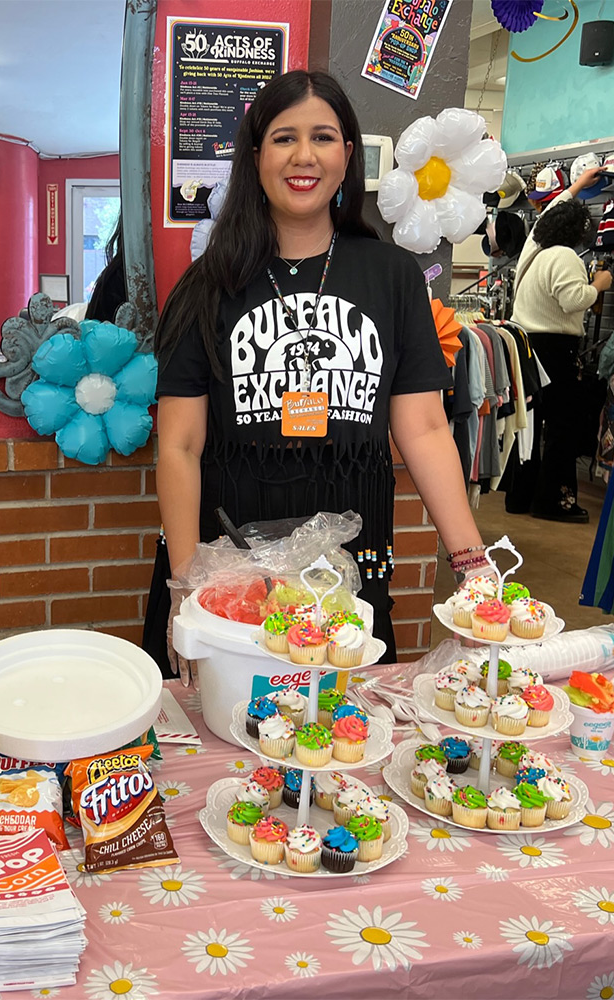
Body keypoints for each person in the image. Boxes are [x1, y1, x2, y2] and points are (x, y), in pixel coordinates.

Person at [154, 70, 489, 661]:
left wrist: (470, 561)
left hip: (351, 561)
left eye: (323, 137)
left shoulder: (393, 277)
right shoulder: (207, 286)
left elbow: (426, 427)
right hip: (228, 560)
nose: (303, 156)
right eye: (284, 138)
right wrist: (186, 586)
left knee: (338, 733)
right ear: (255, 156)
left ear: (348, 155)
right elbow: (179, 445)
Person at [509, 167, 613, 523]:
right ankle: (554, 500)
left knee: (530, 424)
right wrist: (599, 283)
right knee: (562, 428)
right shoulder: (566, 257)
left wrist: (578, 185)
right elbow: (573, 299)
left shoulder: (533, 248)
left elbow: (552, 211)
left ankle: (520, 495)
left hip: (525, 344)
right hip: (555, 350)